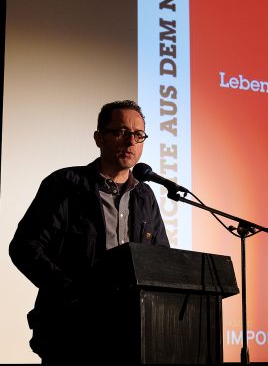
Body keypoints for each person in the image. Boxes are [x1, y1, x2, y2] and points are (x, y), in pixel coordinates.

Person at [9, 100, 170, 363]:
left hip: (131, 332)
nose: (131, 141)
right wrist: (71, 292)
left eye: (138, 134)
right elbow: (25, 248)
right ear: (99, 138)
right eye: (121, 132)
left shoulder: (145, 195)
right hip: (72, 330)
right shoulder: (64, 185)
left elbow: (161, 258)